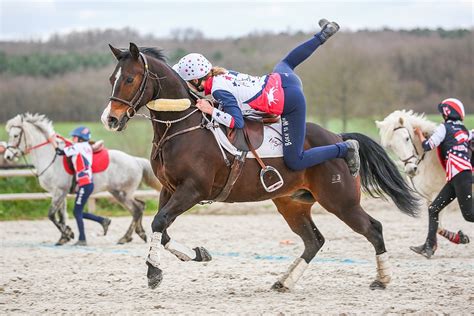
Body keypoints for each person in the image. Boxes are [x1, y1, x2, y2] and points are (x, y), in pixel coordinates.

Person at [172, 19, 360, 175]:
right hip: (283, 78)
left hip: (290, 101)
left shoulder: (218, 90)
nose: (187, 85)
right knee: (287, 62)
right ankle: (322, 35)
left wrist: (211, 110)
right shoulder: (220, 74)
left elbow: (236, 122)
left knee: (295, 160)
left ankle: (345, 149)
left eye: (188, 81)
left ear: (196, 80)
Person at [410, 98, 473, 258]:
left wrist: (418, 134)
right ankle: (429, 246)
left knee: (469, 215)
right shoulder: (464, 130)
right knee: (433, 209)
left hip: (459, 175)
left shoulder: (444, 128)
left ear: (446, 113)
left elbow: (427, 146)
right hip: (458, 176)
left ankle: (429, 246)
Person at [54, 126, 111, 246]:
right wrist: (60, 138)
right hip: (86, 184)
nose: (73, 138)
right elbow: (70, 145)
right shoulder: (85, 146)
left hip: (85, 184)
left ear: (80, 138)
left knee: (77, 212)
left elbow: (60, 152)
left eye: (74, 136)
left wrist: (53, 142)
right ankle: (102, 220)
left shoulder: (78, 147)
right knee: (77, 212)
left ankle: (82, 239)